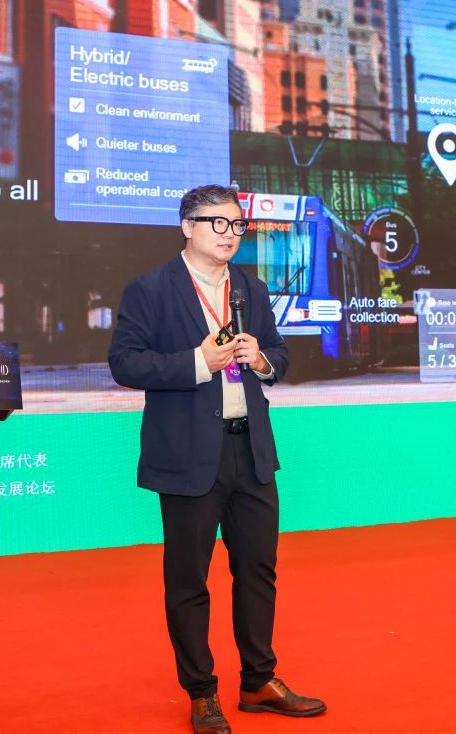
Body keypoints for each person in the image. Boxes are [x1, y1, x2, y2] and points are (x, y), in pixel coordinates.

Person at [108, 185, 326, 734]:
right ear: (187, 226)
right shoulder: (150, 289)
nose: (230, 234)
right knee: (189, 580)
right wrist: (197, 362)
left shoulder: (251, 288)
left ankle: (259, 681)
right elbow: (125, 363)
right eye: (218, 223)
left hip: (250, 450)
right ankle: (202, 693)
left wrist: (263, 360)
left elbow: (280, 353)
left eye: (237, 225)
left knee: (258, 570)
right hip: (188, 455)